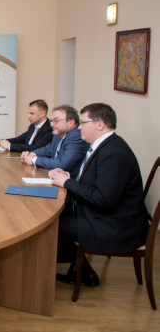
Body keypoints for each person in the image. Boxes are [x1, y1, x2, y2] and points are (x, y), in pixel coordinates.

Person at [49, 103, 149, 287]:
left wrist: (67, 182)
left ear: (100, 124)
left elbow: (104, 199)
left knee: (55, 227)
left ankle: (77, 272)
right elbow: (94, 179)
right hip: (107, 215)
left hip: (116, 224)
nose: (79, 127)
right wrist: (68, 176)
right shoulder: (104, 145)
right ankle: (84, 272)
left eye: (83, 122)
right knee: (57, 218)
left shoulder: (114, 153)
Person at [20, 105, 89, 175]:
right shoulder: (59, 134)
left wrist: (33, 160)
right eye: (52, 121)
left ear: (70, 123)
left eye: (56, 121)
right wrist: (31, 154)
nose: (52, 124)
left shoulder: (76, 136)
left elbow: (62, 164)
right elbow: (47, 149)